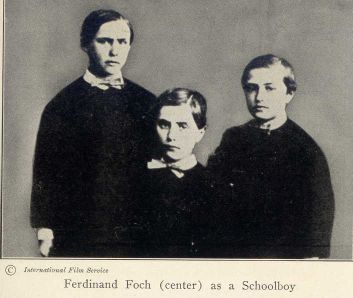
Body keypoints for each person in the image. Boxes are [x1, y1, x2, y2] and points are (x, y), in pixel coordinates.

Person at [30, 9, 156, 257]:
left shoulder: (146, 102)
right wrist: (45, 231)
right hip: (79, 231)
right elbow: (46, 170)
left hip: (137, 228)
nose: (114, 51)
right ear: (86, 44)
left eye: (122, 42)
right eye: (104, 41)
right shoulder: (62, 105)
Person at [207, 54, 335, 258]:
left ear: (289, 93)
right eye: (251, 88)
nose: (259, 97)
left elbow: (314, 240)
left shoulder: (306, 152)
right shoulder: (233, 138)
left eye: (269, 88)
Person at [126, 88, 211, 257]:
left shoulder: (211, 185)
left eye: (182, 126)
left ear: (200, 133)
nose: (172, 136)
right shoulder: (134, 178)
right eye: (164, 125)